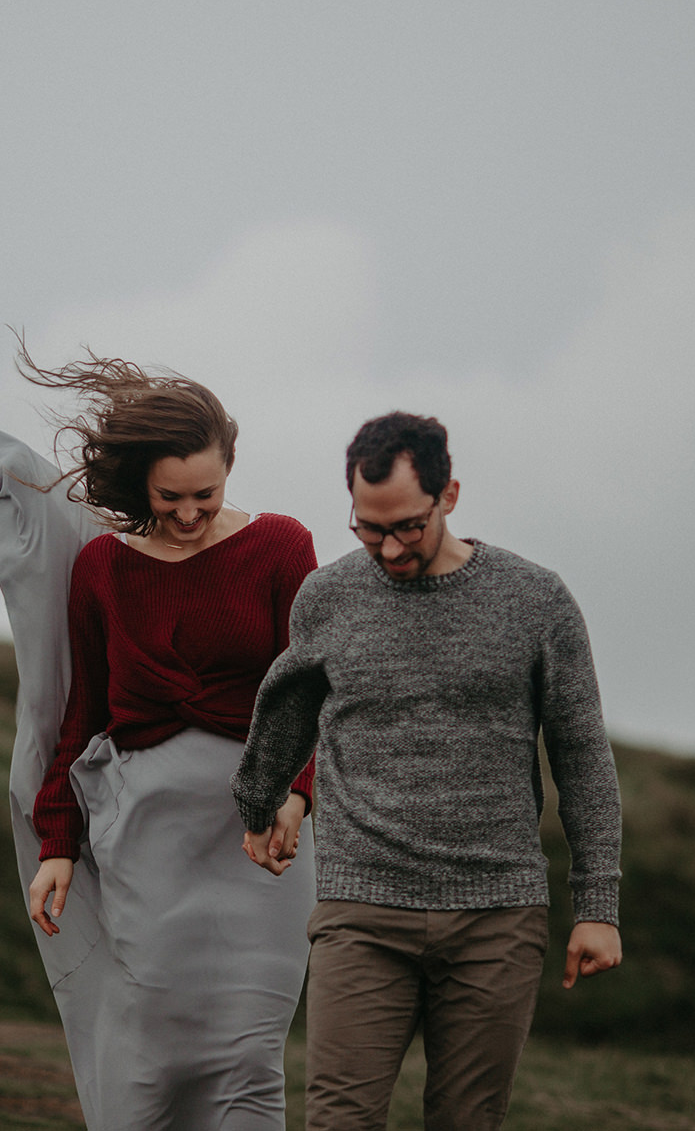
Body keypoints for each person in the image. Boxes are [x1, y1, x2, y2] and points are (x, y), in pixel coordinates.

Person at [0, 348, 317, 1130]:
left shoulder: (283, 545)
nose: (189, 514)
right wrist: (57, 842)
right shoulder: (102, 570)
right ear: (137, 484)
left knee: (250, 1059)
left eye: (206, 494)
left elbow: (307, 687)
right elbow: (80, 715)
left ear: (230, 469)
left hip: (260, 838)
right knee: (154, 1049)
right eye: (169, 498)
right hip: (146, 834)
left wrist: (297, 791)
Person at [231, 411, 624, 1131]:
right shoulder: (329, 596)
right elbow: (288, 710)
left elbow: (583, 757)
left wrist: (597, 906)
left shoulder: (535, 601)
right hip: (362, 909)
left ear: (450, 496)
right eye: (368, 528)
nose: (387, 547)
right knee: (337, 1121)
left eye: (407, 525)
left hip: (496, 913)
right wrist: (266, 803)